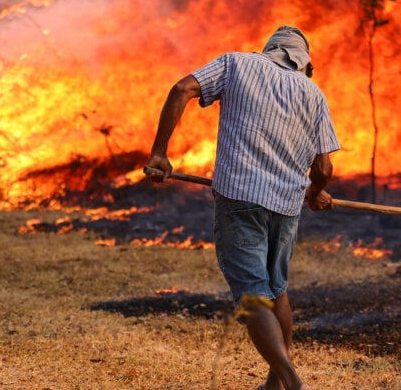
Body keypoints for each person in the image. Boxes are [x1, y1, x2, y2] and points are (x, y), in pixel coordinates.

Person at [145, 25, 340, 390]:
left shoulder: (236, 64)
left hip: (240, 199)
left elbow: (182, 88)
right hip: (285, 207)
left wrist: (160, 152)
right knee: (276, 289)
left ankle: (292, 382)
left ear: (268, 50)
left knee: (253, 293)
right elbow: (324, 169)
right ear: (303, 63)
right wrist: (315, 192)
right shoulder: (314, 94)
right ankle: (274, 386)